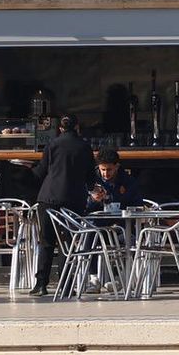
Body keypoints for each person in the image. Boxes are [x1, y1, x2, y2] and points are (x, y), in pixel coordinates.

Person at [29, 114, 96, 297]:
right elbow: (91, 177)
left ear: (60, 128)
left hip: (49, 197)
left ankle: (41, 284)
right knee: (68, 241)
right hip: (74, 198)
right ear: (77, 127)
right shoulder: (85, 146)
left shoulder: (52, 144)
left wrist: (27, 170)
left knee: (47, 241)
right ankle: (66, 284)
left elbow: (41, 172)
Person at [85, 148, 142, 213]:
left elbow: (137, 205)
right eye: (103, 170)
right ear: (98, 167)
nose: (105, 173)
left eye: (109, 170)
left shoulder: (128, 181)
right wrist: (93, 200)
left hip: (122, 220)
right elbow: (82, 208)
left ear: (117, 166)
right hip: (96, 220)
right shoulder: (90, 180)